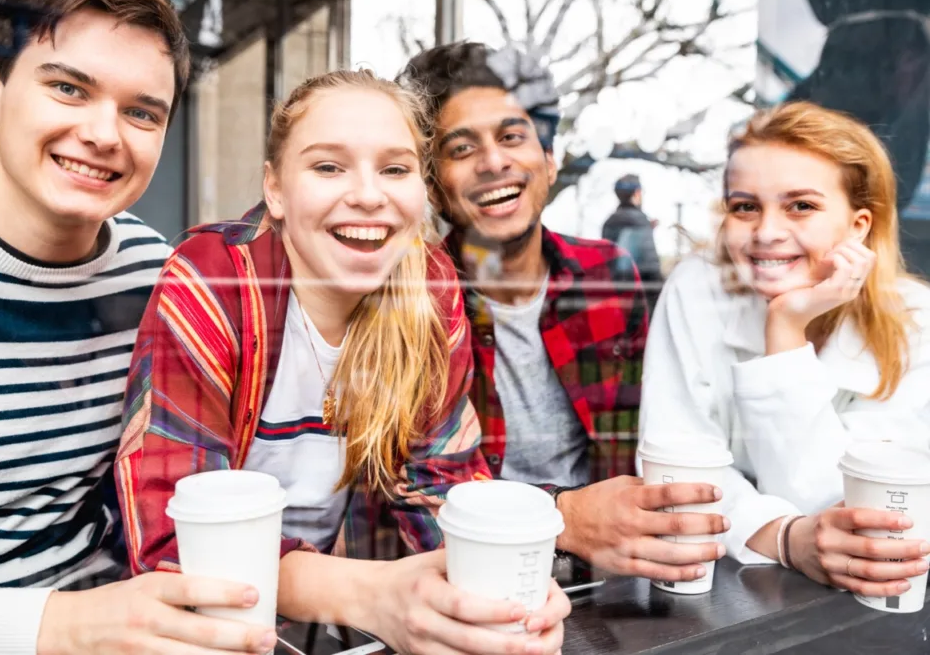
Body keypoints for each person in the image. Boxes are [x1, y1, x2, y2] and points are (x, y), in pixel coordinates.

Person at [115, 69, 569, 655]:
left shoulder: (430, 287)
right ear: (275, 190)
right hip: (204, 630)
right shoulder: (212, 278)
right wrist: (372, 596)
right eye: (328, 167)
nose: (368, 195)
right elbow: (175, 542)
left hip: (340, 618)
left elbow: (440, 481)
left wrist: (491, 598)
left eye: (395, 169)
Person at [0, 0, 283, 653]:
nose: (104, 133)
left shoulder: (154, 273)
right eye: (68, 88)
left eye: (142, 112)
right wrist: (65, 628)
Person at [398, 42, 729, 585]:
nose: (494, 162)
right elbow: (411, 495)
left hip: (618, 577)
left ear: (548, 159)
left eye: (512, 137)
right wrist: (562, 517)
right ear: (434, 188)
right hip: (474, 576)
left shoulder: (608, 275)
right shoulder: (412, 303)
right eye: (461, 149)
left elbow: (656, 432)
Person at [640, 101, 930, 598]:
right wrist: (784, 537)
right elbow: (676, 470)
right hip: (722, 591)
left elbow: (843, 509)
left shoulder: (914, 319)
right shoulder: (697, 289)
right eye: (745, 206)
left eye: (801, 205)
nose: (767, 232)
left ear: (859, 226)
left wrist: (786, 329)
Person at [602, 174, 663, 311]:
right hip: (640, 303)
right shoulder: (640, 222)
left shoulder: (609, 222)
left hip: (616, 299)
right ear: (637, 193)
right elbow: (650, 270)